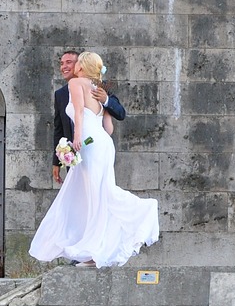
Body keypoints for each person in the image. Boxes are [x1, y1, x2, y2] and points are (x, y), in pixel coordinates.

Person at [30, 51, 158, 267]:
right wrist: (60, 156)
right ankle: (92, 250)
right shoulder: (96, 88)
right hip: (101, 144)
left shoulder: (81, 85)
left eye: (73, 62)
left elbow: (79, 113)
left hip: (87, 144)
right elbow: (108, 129)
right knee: (94, 195)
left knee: (97, 194)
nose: (68, 66)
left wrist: (77, 139)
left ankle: (142, 210)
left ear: (81, 66)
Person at [52, 49, 126, 184]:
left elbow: (121, 113)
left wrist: (106, 101)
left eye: (69, 62)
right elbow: (59, 129)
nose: (64, 67)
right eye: (62, 63)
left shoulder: (100, 88)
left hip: (84, 146)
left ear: (80, 65)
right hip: (80, 151)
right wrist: (57, 161)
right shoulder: (60, 94)